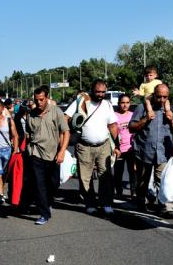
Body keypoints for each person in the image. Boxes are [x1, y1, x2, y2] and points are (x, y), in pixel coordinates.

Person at [64, 79, 120, 215]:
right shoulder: (81, 101)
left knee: (105, 176)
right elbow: (65, 118)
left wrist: (117, 145)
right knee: (85, 177)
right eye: (97, 92)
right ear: (92, 90)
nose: (100, 94)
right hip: (84, 147)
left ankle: (106, 203)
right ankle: (90, 203)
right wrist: (69, 131)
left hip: (104, 146)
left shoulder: (107, 105)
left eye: (103, 92)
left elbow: (113, 126)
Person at [128, 83, 173, 218]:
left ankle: (165, 207)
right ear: (153, 95)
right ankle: (141, 201)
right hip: (144, 150)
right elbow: (131, 127)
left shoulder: (172, 109)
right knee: (143, 180)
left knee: (164, 180)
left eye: (165, 97)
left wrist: (171, 120)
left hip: (164, 152)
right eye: (159, 96)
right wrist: (145, 119)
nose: (162, 100)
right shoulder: (142, 108)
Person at [23, 85, 70, 225]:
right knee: (39, 184)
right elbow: (28, 135)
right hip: (35, 153)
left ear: (47, 98)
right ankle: (44, 214)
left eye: (41, 99)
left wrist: (62, 152)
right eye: (36, 100)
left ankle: (48, 202)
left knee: (53, 183)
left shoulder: (56, 112)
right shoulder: (31, 115)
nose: (39, 103)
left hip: (53, 154)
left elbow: (66, 132)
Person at [113, 94, 136, 200]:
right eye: (122, 102)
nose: (125, 105)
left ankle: (134, 192)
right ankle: (118, 192)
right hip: (119, 150)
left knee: (133, 172)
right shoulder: (114, 115)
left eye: (127, 102)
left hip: (131, 149)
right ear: (118, 103)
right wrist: (115, 146)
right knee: (118, 172)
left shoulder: (133, 115)